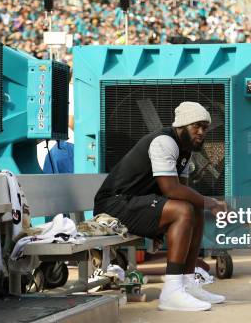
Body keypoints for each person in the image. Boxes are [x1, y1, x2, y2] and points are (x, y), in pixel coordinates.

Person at [94, 101, 227, 311]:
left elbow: (183, 193)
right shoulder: (164, 142)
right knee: (184, 210)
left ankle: (188, 282)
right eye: (196, 127)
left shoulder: (185, 150)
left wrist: (197, 205)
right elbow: (171, 190)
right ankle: (172, 292)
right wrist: (210, 202)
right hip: (113, 205)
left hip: (134, 203)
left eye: (205, 128)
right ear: (182, 125)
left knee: (193, 207)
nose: (201, 132)